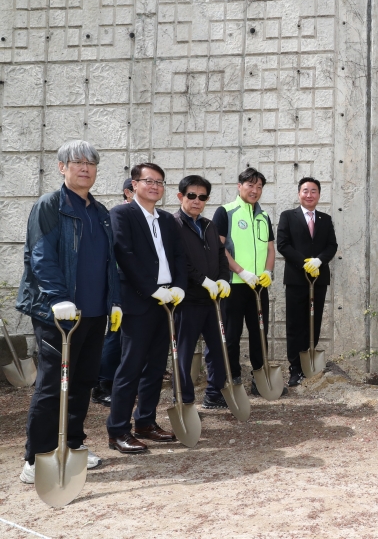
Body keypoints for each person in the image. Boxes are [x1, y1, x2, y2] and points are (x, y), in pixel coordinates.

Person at [16, 140, 122, 482]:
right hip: (56, 314)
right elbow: (40, 255)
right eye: (77, 163)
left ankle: (73, 445)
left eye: (91, 163)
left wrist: (114, 300)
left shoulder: (100, 212)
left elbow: (109, 263)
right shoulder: (50, 205)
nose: (85, 168)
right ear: (62, 167)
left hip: (92, 314)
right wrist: (58, 297)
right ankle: (37, 456)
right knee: (52, 384)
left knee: (81, 382)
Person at [108, 162, 187, 454]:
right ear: (135, 184)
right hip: (139, 300)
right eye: (148, 181)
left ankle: (145, 423)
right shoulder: (121, 214)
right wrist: (152, 289)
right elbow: (123, 254)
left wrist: (179, 286)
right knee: (130, 367)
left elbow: (178, 255)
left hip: (167, 301)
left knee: (155, 367)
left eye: (159, 182)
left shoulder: (167, 219)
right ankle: (117, 431)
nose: (154, 186)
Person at [212, 168, 276, 395]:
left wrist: (268, 271)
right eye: (250, 185)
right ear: (239, 186)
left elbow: (270, 248)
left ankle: (260, 380)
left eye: (259, 187)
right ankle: (233, 378)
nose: (255, 190)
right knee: (231, 335)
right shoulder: (225, 212)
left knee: (260, 334)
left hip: (259, 286)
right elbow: (219, 248)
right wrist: (241, 271)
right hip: (234, 285)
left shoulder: (264, 216)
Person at [172, 175, 232, 409]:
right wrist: (202, 280)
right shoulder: (173, 224)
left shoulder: (209, 225)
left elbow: (221, 254)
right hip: (188, 301)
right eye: (192, 196)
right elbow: (178, 261)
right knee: (184, 352)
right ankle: (184, 398)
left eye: (203, 197)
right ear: (181, 196)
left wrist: (222, 279)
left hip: (213, 300)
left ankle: (215, 393)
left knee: (218, 347)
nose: (197, 201)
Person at [277, 177, 338, 386]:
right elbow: (283, 245)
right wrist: (303, 263)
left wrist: (319, 260)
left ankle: (310, 364)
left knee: (314, 322)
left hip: (318, 279)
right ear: (299, 194)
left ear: (319, 195)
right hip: (296, 279)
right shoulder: (288, 216)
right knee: (295, 324)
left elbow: (332, 245)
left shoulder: (325, 219)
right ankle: (295, 369)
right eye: (305, 191)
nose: (309, 195)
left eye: (313, 191)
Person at [92, 178, 134, 407]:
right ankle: (102, 385)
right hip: (119, 282)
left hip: (138, 285)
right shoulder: (119, 215)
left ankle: (116, 381)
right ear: (128, 192)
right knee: (116, 334)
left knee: (126, 335)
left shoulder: (147, 215)